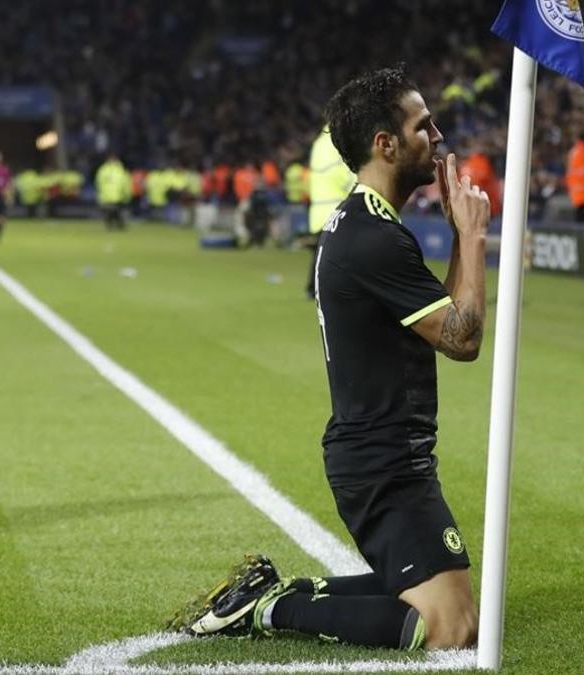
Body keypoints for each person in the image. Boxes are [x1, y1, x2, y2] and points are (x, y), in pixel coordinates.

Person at [169, 66, 487, 651]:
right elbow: (462, 340)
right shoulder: (371, 237)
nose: (437, 136)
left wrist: (459, 237)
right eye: (424, 125)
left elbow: (440, 318)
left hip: (384, 452)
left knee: (459, 601)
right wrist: (472, 237)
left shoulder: (366, 222)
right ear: (384, 144)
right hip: (383, 464)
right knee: (451, 627)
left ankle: (281, 589)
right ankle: (274, 608)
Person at [306, 125, 357, 298]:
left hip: (318, 207)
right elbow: (345, 174)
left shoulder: (319, 143)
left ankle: (312, 288)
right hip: (336, 204)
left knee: (321, 251)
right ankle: (323, 288)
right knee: (338, 251)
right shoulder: (337, 142)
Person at [95, 153, 130, 230]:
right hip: (106, 196)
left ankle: (120, 225)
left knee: (118, 213)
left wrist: (126, 194)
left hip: (118, 196)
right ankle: (110, 225)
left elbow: (125, 182)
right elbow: (98, 183)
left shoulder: (120, 169)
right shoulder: (103, 170)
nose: (112, 161)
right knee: (108, 213)